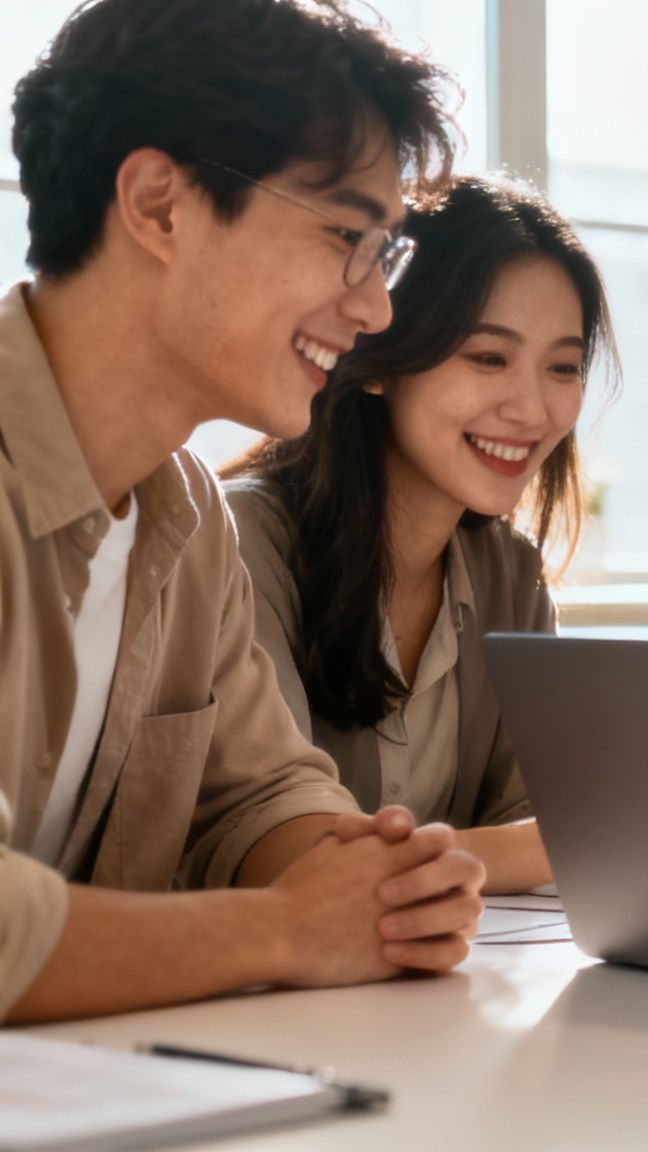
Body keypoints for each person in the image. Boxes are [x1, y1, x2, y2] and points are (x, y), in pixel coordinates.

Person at [0, 0, 485, 1024]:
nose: (376, 309)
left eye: (383, 254)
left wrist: (381, 887)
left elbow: (255, 793)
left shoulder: (187, 514)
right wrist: (286, 930)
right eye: (349, 237)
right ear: (159, 204)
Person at [221, 175, 614, 895]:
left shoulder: (507, 574)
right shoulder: (241, 544)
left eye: (562, 367)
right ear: (378, 362)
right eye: (487, 357)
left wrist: (566, 841)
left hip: (438, 987)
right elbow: (304, 860)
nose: (531, 409)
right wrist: (565, 843)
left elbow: (549, 820)